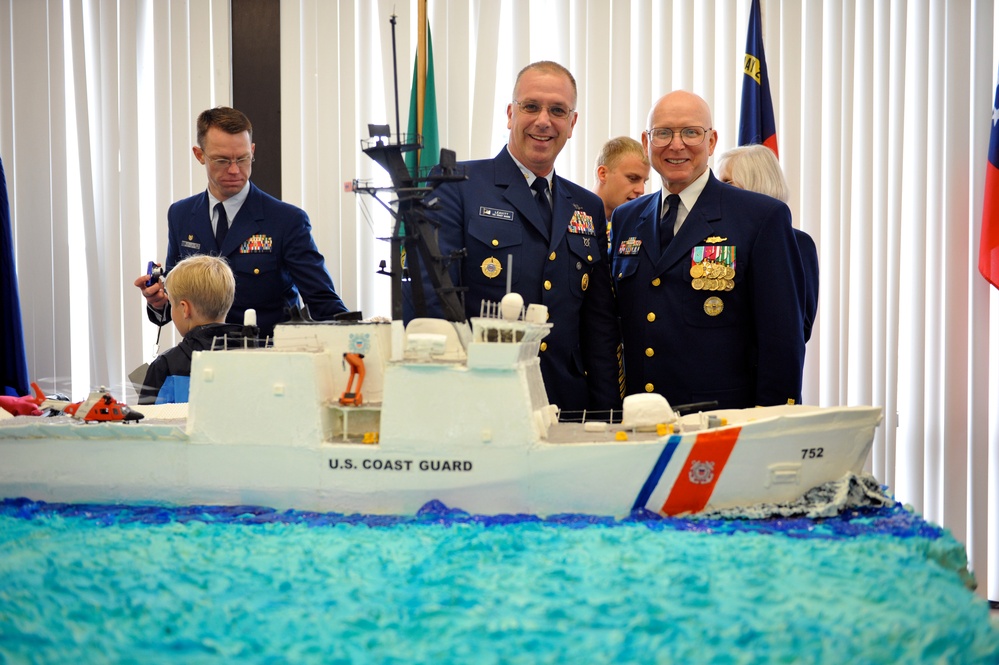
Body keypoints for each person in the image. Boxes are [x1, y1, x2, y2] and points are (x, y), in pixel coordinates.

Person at [413, 61, 621, 416]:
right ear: (511, 114)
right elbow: (435, 300)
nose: (544, 120)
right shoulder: (458, 185)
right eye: (531, 106)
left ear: (572, 124)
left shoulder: (587, 205)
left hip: (566, 401)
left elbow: (597, 325)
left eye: (557, 110)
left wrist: (607, 414)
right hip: (483, 396)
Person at [609, 90, 805, 410]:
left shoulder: (760, 217)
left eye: (691, 132)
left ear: (711, 142)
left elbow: (782, 340)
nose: (676, 144)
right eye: (663, 133)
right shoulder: (626, 218)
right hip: (639, 419)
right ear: (646, 144)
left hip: (721, 423)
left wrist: (769, 425)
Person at [133, 106, 348, 337]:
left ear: (252, 150)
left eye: (243, 158)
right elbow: (175, 299)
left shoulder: (286, 221)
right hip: (203, 359)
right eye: (222, 160)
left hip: (267, 360)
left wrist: (358, 343)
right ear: (199, 155)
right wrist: (157, 302)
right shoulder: (181, 215)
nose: (235, 170)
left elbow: (323, 302)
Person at [716, 144, 819, 342]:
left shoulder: (797, 242)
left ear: (755, 183)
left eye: (727, 183)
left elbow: (799, 327)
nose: (719, 191)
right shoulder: (716, 240)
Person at [138, 255, 244, 404]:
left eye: (172, 304)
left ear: (184, 308)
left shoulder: (166, 366)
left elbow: (146, 424)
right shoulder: (255, 356)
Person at [593, 136, 651, 229]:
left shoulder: (638, 227)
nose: (641, 190)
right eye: (632, 178)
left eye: (644, 182)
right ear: (603, 174)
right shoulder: (569, 217)